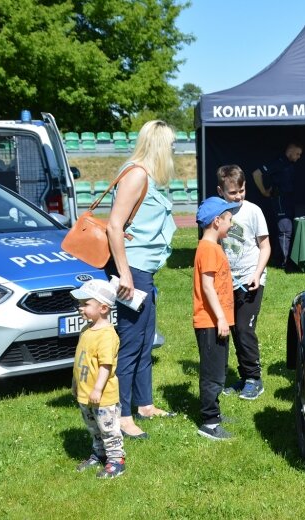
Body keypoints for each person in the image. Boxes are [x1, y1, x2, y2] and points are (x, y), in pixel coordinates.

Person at [106, 120, 176, 440]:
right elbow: (114, 226)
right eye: (171, 145)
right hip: (131, 271)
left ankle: (144, 404)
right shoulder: (136, 174)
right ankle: (122, 414)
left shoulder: (147, 175)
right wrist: (124, 275)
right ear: (159, 145)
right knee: (131, 343)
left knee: (145, 338)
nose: (174, 150)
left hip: (143, 270)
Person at [217, 165, 270, 400]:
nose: (238, 196)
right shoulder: (217, 214)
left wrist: (257, 274)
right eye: (232, 193)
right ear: (221, 191)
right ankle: (244, 375)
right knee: (234, 329)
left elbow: (265, 246)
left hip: (251, 278)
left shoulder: (253, 211)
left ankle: (254, 379)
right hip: (227, 281)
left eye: (241, 190)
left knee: (245, 328)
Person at [193, 196, 241, 440]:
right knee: (212, 374)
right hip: (210, 322)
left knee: (219, 369)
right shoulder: (209, 249)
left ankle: (215, 413)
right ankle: (209, 423)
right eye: (229, 220)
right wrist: (221, 318)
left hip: (216, 321)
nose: (231, 224)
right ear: (216, 221)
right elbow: (208, 287)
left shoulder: (212, 247)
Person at [70, 279, 125, 479]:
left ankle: (116, 461)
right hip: (85, 394)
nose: (80, 307)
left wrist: (97, 389)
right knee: (94, 428)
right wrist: (76, 384)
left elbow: (106, 366)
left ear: (103, 308)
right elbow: (81, 361)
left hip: (103, 396)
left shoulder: (107, 335)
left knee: (108, 429)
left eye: (85, 304)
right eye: (80, 304)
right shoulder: (86, 330)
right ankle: (99, 453)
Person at [251, 142, 303, 268]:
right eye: (297, 154)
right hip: (279, 200)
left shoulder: (289, 164)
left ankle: (278, 259)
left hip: (289, 200)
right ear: (290, 152)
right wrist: (263, 191)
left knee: (285, 230)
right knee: (285, 230)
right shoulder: (278, 162)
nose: (298, 157)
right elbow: (256, 173)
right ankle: (284, 262)